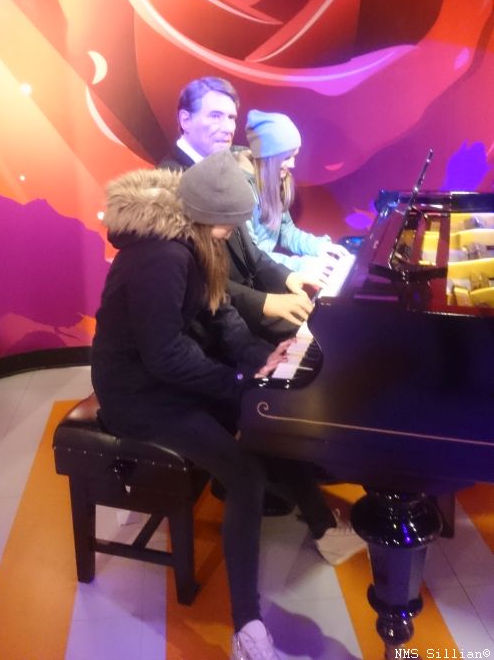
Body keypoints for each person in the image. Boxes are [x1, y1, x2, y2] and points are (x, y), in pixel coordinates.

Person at [91, 151, 365, 660]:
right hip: (136, 394)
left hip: (165, 377)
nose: (233, 233)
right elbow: (164, 356)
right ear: (206, 214)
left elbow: (220, 314)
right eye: (229, 224)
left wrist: (263, 363)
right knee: (245, 474)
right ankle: (247, 629)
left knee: (270, 419)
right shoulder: (161, 257)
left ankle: (323, 528)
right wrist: (238, 384)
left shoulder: (198, 238)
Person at [160, 76, 315, 344]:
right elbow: (195, 282)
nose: (227, 127)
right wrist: (264, 303)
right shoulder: (169, 182)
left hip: (241, 306)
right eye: (215, 116)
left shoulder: (223, 165)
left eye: (231, 117)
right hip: (212, 327)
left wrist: (286, 276)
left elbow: (247, 248)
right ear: (185, 120)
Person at [243, 109, 353, 279]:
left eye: (294, 156)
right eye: (287, 157)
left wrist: (319, 247)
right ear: (269, 157)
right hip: (253, 280)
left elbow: (286, 230)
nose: (293, 164)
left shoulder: (278, 180)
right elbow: (252, 256)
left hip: (269, 273)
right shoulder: (241, 192)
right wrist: (302, 265)